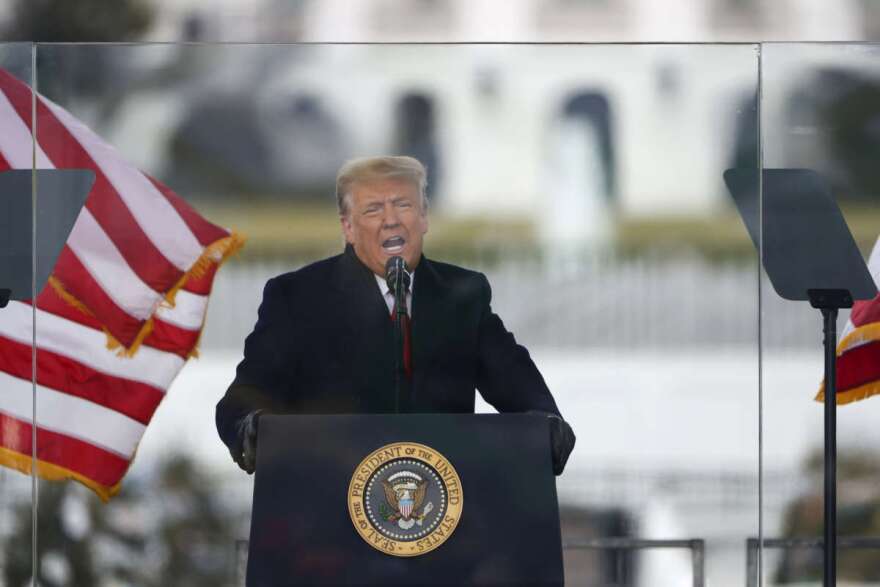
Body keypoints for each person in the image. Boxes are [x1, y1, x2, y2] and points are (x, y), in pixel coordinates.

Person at [216, 156, 575, 475]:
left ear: (424, 217)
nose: (390, 220)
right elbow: (244, 397)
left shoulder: (463, 296)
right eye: (373, 209)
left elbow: (514, 378)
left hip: (443, 504)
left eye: (403, 205)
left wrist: (547, 421)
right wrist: (251, 427)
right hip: (329, 498)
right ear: (348, 227)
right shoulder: (298, 297)